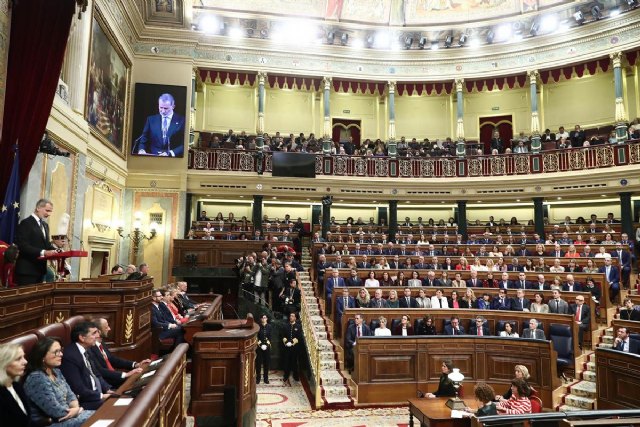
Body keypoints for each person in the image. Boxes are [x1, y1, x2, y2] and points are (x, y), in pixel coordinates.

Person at [24, 337, 95, 426]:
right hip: (53, 423)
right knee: (97, 418)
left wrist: (76, 408)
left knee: (102, 415)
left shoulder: (57, 371)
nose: (61, 354)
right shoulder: (36, 378)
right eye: (56, 352)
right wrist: (77, 410)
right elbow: (56, 412)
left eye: (61, 350)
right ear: (42, 355)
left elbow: (71, 396)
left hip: (70, 417)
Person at [60, 322, 113, 410]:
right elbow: (78, 388)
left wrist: (107, 389)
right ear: (82, 337)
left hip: (97, 395)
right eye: (94, 333)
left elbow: (96, 374)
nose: (97, 336)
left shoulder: (87, 348)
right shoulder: (70, 356)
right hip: (85, 402)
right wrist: (101, 396)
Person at [88, 318, 148, 388]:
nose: (109, 329)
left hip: (116, 377)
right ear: (99, 331)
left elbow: (112, 359)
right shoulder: (90, 348)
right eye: (106, 327)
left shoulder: (101, 342)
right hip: (108, 384)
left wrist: (135, 364)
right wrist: (125, 375)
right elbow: (100, 371)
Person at [14, 199, 57, 286]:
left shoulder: (45, 225)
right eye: (47, 210)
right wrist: (43, 252)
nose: (49, 214)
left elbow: (46, 244)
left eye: (50, 211)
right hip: (27, 271)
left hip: (40, 270)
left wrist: (57, 251)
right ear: (38, 208)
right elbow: (23, 246)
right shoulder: (26, 223)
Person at [0, 342, 31, 426]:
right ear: (4, 364)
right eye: (18, 359)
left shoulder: (17, 386)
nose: (25, 361)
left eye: (24, 357)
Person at [282, 312, 303, 386]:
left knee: (294, 362)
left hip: (295, 348)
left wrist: (292, 343)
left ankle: (296, 376)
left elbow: (298, 337)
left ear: (295, 318)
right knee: (286, 362)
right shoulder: (285, 326)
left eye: (292, 316)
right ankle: (286, 376)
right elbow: (283, 336)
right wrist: (286, 342)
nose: (291, 317)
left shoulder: (299, 326)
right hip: (287, 347)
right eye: (290, 316)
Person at [256, 314, 272, 384]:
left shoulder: (269, 327)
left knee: (266, 363)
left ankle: (266, 378)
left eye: (265, 318)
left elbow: (270, 337)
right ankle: (258, 378)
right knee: (258, 363)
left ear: (267, 319)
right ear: (260, 319)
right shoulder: (258, 326)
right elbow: (256, 338)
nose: (263, 319)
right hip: (259, 348)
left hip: (267, 348)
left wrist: (266, 345)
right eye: (262, 318)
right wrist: (261, 345)